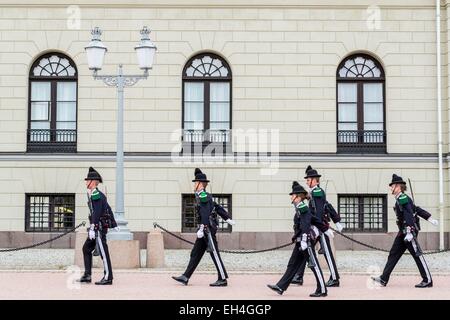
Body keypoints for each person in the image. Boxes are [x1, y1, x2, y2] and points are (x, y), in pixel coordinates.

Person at [172, 168, 235, 287]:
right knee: (195, 253)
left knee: (214, 253)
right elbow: (217, 207)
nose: (194, 185)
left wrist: (202, 228)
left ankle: (222, 279)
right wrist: (227, 218)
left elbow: (206, 213)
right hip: (205, 230)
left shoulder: (203, 195)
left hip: (207, 230)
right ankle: (185, 276)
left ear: (201, 184)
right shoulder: (202, 195)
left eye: (196, 183)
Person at [372, 174, 436, 288]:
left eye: (392, 186)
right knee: (393, 254)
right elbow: (416, 209)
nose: (391, 188)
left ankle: (428, 280)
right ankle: (383, 279)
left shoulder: (403, 198)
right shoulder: (401, 199)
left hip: (408, 232)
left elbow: (408, 215)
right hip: (403, 232)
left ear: (398, 186)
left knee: (417, 255)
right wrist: (429, 217)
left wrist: (410, 231)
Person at [267, 181, 327, 297]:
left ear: (298, 197)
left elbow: (305, 223)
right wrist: (324, 228)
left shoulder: (303, 207)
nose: (291, 197)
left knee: (314, 265)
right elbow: (313, 219)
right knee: (292, 263)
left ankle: (322, 290)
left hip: (305, 241)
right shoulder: (300, 207)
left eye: (293, 195)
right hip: (300, 241)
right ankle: (281, 286)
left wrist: (305, 238)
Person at [291, 165, 342, 287]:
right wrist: (336, 220)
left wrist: (319, 227)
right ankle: (298, 276)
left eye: (308, 180)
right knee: (305, 250)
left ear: (315, 180)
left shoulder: (317, 192)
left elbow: (319, 211)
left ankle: (334, 278)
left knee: (327, 253)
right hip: (316, 227)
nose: (307, 182)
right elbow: (326, 205)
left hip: (319, 228)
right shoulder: (314, 193)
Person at [77, 167, 117, 285]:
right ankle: (87, 275)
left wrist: (93, 227)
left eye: (87, 180)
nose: (86, 182)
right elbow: (107, 208)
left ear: (93, 181)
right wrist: (114, 223)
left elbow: (97, 212)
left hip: (98, 228)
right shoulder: (95, 194)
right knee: (86, 248)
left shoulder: (96, 194)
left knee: (104, 253)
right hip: (96, 228)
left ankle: (108, 277)